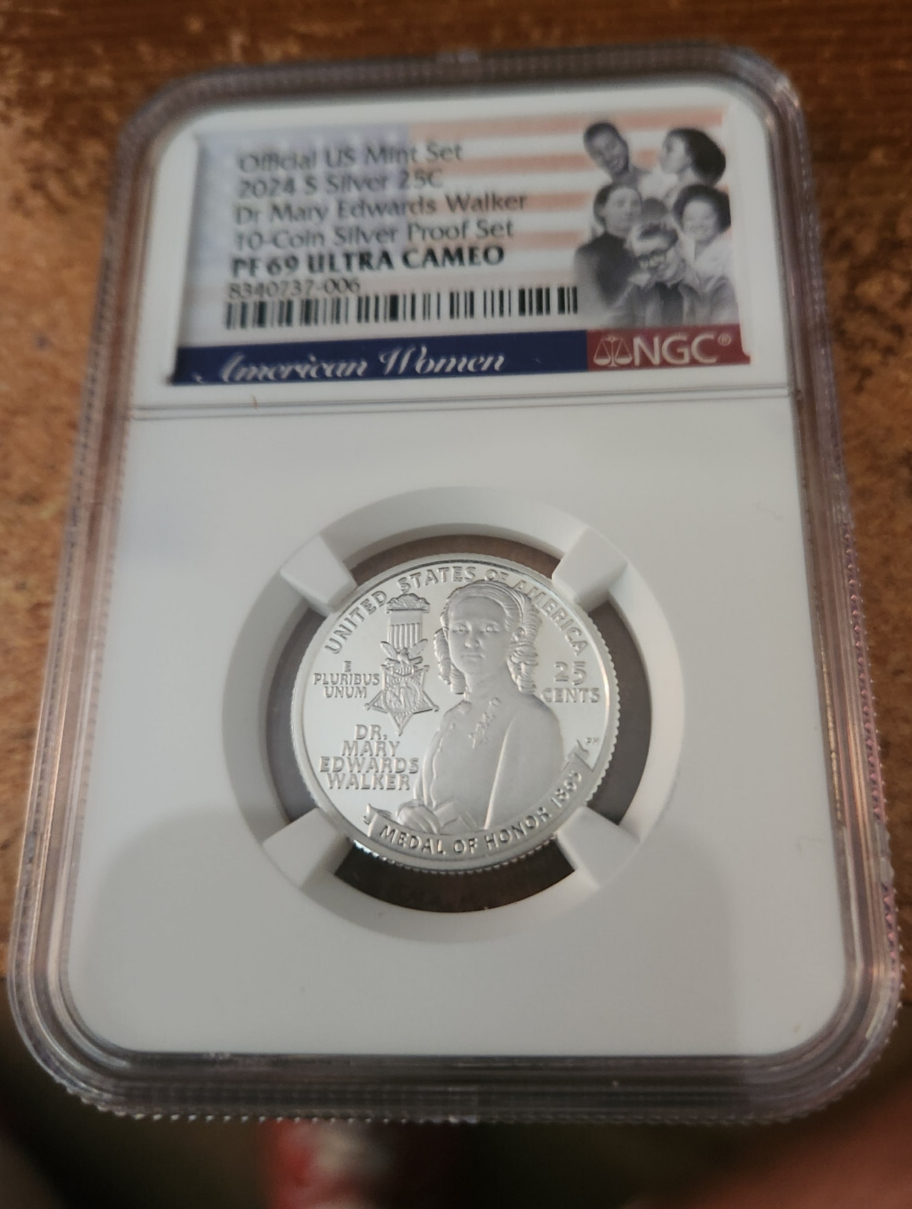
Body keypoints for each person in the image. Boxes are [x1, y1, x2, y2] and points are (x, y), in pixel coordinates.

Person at [396, 581, 564, 835]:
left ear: (514, 639)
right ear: (447, 637)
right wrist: (408, 813)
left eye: (488, 629)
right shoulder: (452, 717)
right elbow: (424, 800)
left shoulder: (530, 718)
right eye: (460, 629)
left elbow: (509, 834)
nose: (470, 641)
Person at [614, 216, 739, 328]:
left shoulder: (717, 287)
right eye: (643, 258)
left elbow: (725, 338)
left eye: (658, 253)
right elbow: (610, 332)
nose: (652, 264)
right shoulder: (636, 291)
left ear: (679, 247)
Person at [574, 182, 642, 317]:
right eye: (620, 204)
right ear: (602, 210)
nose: (629, 210)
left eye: (635, 204)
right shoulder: (588, 253)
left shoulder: (650, 247)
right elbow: (589, 307)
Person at [642, 127, 727, 209]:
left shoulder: (701, 197)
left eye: (669, 150)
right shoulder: (672, 191)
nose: (660, 156)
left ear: (691, 155)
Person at [673, 183, 733, 279]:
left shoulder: (729, 252)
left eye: (707, 217)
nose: (698, 224)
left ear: (721, 218)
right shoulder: (681, 249)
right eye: (690, 218)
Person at [583, 121, 647, 190]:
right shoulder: (606, 194)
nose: (607, 157)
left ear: (624, 144)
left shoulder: (651, 183)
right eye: (598, 154)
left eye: (611, 147)